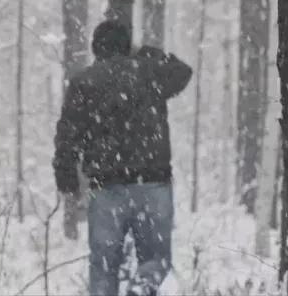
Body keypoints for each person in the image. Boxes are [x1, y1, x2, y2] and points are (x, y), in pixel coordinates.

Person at [53, 19, 193, 296]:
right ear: (127, 46)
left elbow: (68, 135)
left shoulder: (84, 82)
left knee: (104, 267)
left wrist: (66, 180)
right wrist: (144, 52)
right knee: (156, 261)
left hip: (106, 188)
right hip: (153, 184)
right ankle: (142, 288)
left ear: (96, 48)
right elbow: (183, 72)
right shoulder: (150, 72)